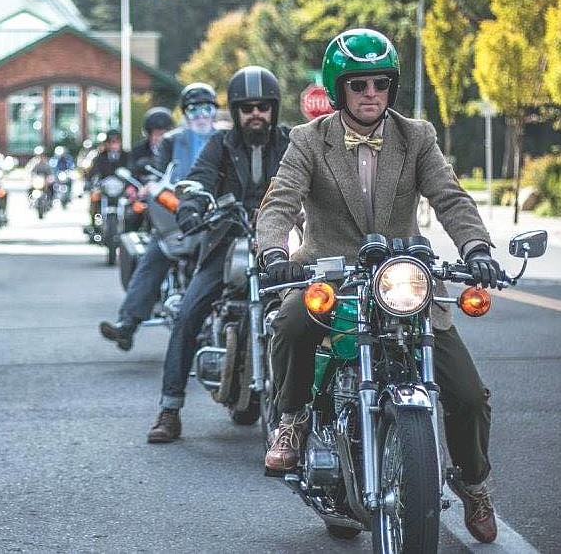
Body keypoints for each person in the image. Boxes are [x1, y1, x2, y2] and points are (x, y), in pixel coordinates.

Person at [255, 28, 501, 544]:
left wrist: (477, 248)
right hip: (330, 273)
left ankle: (475, 485)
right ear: (340, 88)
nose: (371, 94)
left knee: (467, 393)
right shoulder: (308, 139)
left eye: (381, 84)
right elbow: (281, 201)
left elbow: (450, 197)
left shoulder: (418, 137)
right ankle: (293, 419)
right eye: (359, 84)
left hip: (401, 278)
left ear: (391, 88)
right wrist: (275, 253)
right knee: (292, 322)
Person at [146, 66, 290, 443]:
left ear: (273, 109)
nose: (255, 114)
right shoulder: (221, 145)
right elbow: (198, 178)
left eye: (262, 107)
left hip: (284, 242)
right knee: (190, 309)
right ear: (238, 112)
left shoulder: (291, 143)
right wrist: (190, 205)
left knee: (316, 309)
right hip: (229, 239)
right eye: (247, 108)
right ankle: (169, 408)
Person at [99, 86, 220, 349]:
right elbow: (160, 176)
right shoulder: (171, 141)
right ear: (185, 113)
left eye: (207, 108)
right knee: (155, 255)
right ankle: (127, 324)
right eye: (194, 109)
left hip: (219, 215)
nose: (201, 115)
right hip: (178, 213)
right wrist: (153, 188)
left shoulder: (226, 137)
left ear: (215, 110)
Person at [83, 129, 130, 231]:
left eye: (116, 141)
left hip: (122, 188)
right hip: (104, 188)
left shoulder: (127, 156)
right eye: (110, 142)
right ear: (106, 144)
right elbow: (93, 172)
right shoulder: (100, 157)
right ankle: (95, 224)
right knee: (94, 197)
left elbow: (133, 170)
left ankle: (131, 227)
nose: (113, 145)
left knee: (134, 202)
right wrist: (89, 183)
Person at [128, 107, 173, 182]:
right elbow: (132, 174)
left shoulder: (176, 150)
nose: (160, 138)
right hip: (143, 190)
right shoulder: (138, 150)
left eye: (164, 134)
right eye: (157, 134)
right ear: (149, 135)